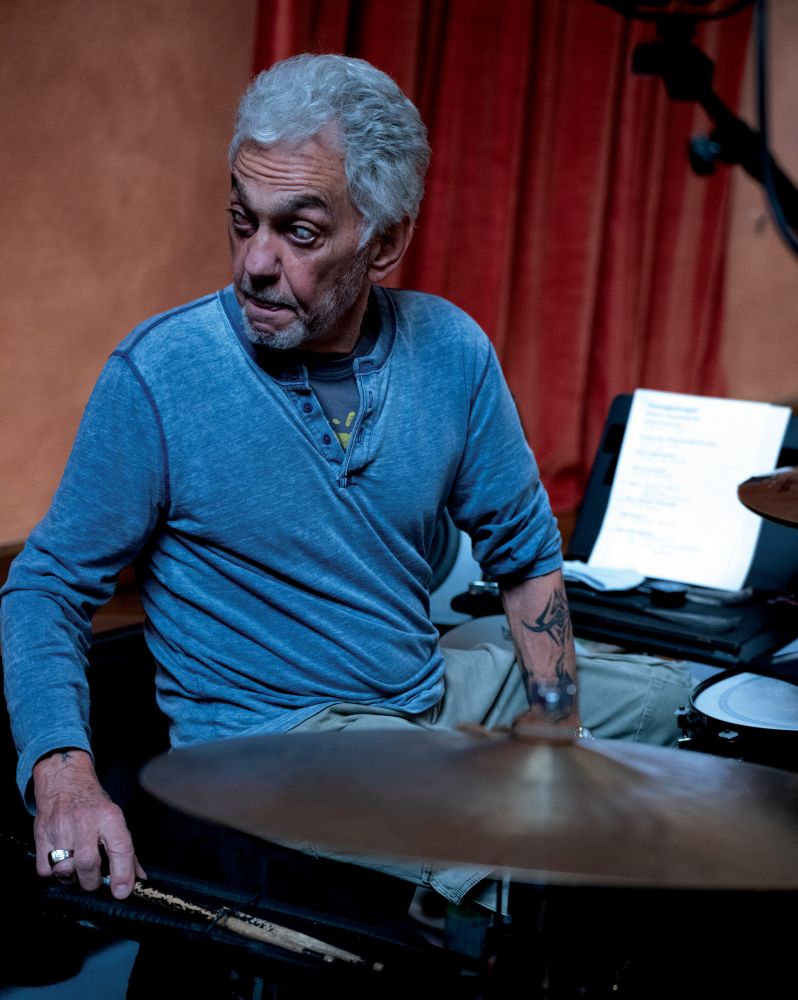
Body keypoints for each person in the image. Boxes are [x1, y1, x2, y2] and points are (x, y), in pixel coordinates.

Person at [1, 52, 691, 948]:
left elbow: (525, 558)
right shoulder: (160, 374)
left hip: (422, 694)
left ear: (386, 242)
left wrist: (559, 725)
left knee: (686, 710)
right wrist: (63, 779)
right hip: (271, 748)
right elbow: (45, 586)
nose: (256, 262)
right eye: (242, 221)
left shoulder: (452, 352)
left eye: (299, 232)